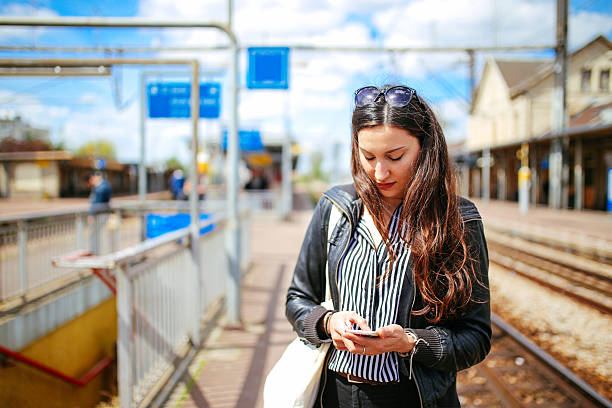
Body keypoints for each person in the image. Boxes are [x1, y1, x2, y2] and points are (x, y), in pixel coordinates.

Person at [286, 85, 491, 407]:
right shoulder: (336, 208)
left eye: (395, 157)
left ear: (425, 149)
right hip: (336, 395)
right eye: (368, 157)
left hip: (413, 398)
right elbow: (298, 299)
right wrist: (328, 322)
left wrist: (410, 341)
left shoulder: (458, 220)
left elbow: (475, 338)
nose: (379, 172)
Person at [87, 171, 112, 254]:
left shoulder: (101, 188)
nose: (91, 181)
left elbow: (96, 202)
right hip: (101, 213)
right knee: (96, 234)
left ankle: (95, 252)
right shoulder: (103, 186)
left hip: (100, 214)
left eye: (92, 179)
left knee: (96, 234)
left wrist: (91, 214)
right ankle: (95, 251)